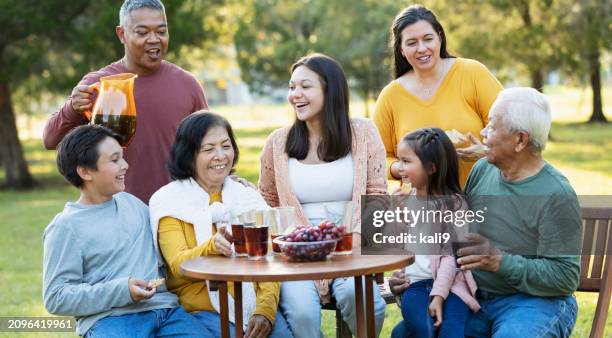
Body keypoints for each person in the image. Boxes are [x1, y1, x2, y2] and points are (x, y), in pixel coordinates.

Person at [258, 53, 388, 337]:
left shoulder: (363, 132)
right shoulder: (278, 142)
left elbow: (378, 196)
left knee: (366, 303)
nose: (295, 95)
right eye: (292, 87)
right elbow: (267, 201)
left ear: (330, 90)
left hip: (349, 248)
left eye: (305, 86)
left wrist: (357, 243)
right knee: (303, 313)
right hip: (295, 255)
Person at [42, 125, 208, 337]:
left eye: (122, 157)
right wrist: (122, 290)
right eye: (114, 160)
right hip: (112, 320)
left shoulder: (133, 204)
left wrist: (225, 187)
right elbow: (56, 297)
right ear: (84, 171)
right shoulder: (65, 227)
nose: (125, 165)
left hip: (166, 311)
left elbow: (174, 227)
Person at [43, 0, 207, 204]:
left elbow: (208, 146)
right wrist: (72, 109)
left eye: (161, 31)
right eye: (142, 32)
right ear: (122, 34)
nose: (154, 39)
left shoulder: (187, 85)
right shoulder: (99, 84)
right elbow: (50, 139)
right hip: (117, 213)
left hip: (178, 211)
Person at [149, 111, 292, 338]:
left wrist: (265, 310)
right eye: (208, 149)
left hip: (255, 301)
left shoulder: (246, 197)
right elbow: (177, 266)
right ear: (188, 155)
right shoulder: (168, 201)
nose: (221, 156)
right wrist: (212, 247)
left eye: (226, 146)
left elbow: (270, 259)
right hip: (201, 308)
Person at [458, 88, 581, 336]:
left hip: (535, 302)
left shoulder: (556, 194)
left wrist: (500, 262)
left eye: (492, 127)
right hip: (475, 298)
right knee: (409, 331)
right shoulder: (482, 169)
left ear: (520, 140)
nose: (483, 132)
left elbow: (565, 277)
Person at [373, 4, 503, 187]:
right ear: (401, 49)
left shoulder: (472, 73)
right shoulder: (390, 96)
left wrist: (487, 152)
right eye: (411, 43)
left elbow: (510, 129)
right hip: (421, 209)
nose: (421, 48)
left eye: (428, 39)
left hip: (481, 201)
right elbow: (376, 159)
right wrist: (404, 167)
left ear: (440, 38)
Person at [387, 128, 479, 338]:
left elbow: (451, 257)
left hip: (453, 286)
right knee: (423, 330)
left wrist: (438, 296)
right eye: (399, 161)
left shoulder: (455, 205)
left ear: (431, 168)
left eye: (406, 161)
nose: (399, 168)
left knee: (451, 333)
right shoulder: (406, 200)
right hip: (415, 286)